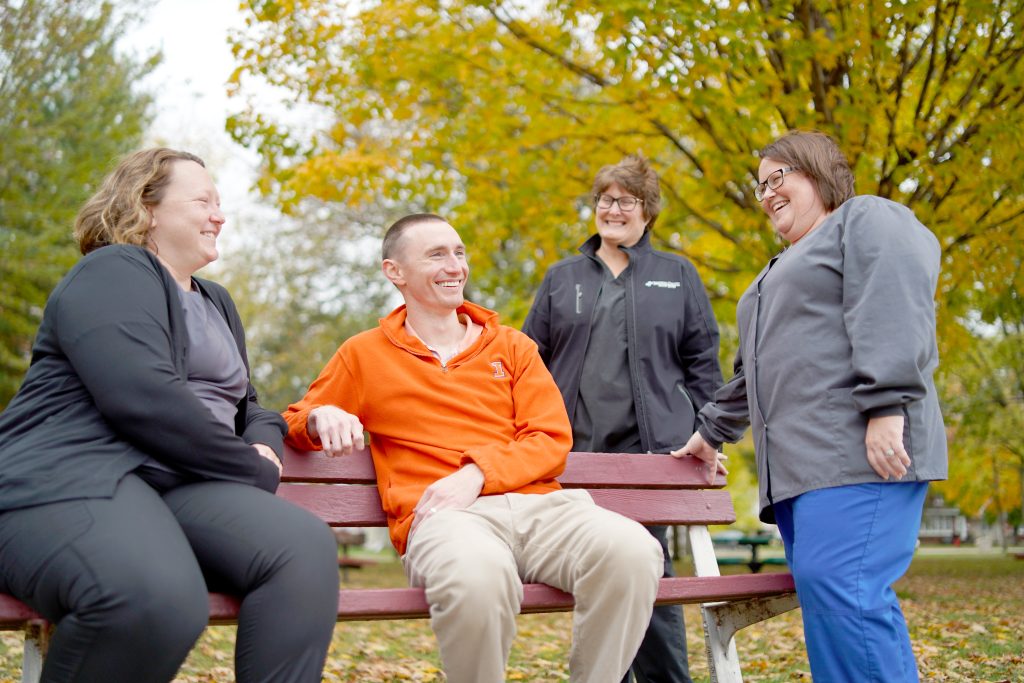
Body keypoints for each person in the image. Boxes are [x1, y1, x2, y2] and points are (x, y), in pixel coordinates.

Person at [0, 149, 340, 683]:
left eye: (220, 203)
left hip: (175, 481)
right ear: (147, 208)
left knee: (302, 548)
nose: (219, 215)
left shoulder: (215, 301)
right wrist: (249, 467)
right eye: (203, 200)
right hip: (77, 475)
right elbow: (142, 396)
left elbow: (248, 403)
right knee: (153, 598)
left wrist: (266, 445)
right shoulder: (113, 270)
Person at [283, 213, 663, 683]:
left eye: (459, 252)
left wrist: (475, 474)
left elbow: (550, 439)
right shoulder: (363, 354)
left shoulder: (513, 347)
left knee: (634, 552)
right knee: (479, 579)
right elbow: (294, 420)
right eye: (436, 254)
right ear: (394, 272)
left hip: (542, 509)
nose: (455, 266)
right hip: (447, 522)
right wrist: (323, 415)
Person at [675, 131, 948, 682]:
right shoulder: (768, 276)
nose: (768, 191)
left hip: (861, 454)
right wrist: (710, 432)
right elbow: (754, 373)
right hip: (801, 474)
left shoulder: (865, 219)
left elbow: (891, 305)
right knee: (832, 606)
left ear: (820, 173)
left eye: (780, 176)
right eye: (760, 186)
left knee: (847, 592)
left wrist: (886, 404)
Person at [522, 154, 722, 683]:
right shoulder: (561, 278)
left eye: (625, 200)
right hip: (571, 453)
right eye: (605, 199)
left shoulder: (677, 275)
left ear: (647, 211)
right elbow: (527, 363)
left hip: (647, 453)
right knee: (597, 564)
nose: (613, 209)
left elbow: (704, 360)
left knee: (647, 565)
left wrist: (710, 433)